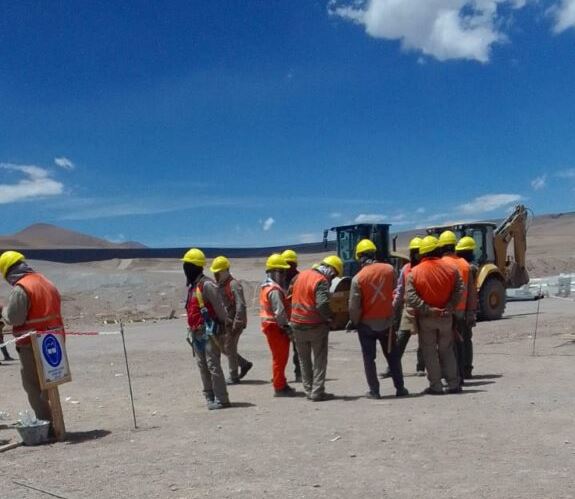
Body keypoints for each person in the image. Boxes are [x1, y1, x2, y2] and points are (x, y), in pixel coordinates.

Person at [0, 251, 64, 424]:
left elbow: (15, 318)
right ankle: (57, 423)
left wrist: (3, 311)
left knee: (33, 385)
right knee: (50, 382)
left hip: (31, 344)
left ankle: (46, 424)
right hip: (54, 340)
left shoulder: (22, 288)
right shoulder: (46, 281)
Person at [348, 239, 408, 399]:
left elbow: (354, 306)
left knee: (369, 359)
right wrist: (392, 310)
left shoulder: (358, 278)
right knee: (393, 356)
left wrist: (354, 321)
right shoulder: (389, 270)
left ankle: (374, 391)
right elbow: (396, 291)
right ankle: (400, 388)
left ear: (359, 257)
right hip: (387, 323)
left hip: (366, 325)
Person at [406, 236, 464, 395]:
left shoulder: (414, 272)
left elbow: (410, 297)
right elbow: (460, 289)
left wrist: (428, 309)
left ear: (422, 253)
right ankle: (453, 384)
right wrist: (450, 306)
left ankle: (436, 386)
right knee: (447, 349)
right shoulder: (451, 269)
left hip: (427, 319)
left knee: (429, 352)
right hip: (446, 316)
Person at [182, 248, 231, 410]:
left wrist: (224, 328)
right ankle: (209, 396)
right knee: (203, 366)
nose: (185, 270)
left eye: (187, 266)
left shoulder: (207, 285)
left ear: (194, 267)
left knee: (213, 365)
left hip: (210, 332)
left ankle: (222, 398)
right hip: (196, 334)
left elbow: (220, 309)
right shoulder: (192, 287)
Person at [290, 255, 342, 401]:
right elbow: (322, 304)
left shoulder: (301, 276)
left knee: (303, 359)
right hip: (315, 326)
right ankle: (317, 392)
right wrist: (330, 318)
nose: (333, 278)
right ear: (331, 270)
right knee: (319, 359)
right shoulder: (321, 280)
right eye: (335, 275)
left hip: (296, 324)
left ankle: (308, 390)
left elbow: (289, 296)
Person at [210, 256, 253, 385]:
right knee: (224, 347)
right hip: (226, 322)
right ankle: (244, 364)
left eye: (218, 272)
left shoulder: (233, 284)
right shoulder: (220, 285)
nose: (215, 274)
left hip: (235, 322)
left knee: (230, 347)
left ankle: (233, 375)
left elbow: (240, 304)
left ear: (225, 271)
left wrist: (237, 322)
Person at [438, 230, 472, 385]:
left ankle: (452, 375)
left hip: (447, 309)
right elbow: (471, 292)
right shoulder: (465, 264)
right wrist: (471, 312)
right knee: (463, 342)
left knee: (448, 345)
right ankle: (465, 371)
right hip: (463, 310)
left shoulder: (442, 265)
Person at [259, 253, 296, 397]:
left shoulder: (266, 287)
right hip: (276, 328)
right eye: (281, 271)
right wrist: (287, 328)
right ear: (274, 272)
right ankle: (279, 387)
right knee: (280, 358)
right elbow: (279, 312)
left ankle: (281, 381)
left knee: (278, 357)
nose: (284, 274)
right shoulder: (274, 290)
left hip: (270, 327)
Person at [392, 236, 425, 376]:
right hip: (409, 308)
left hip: (423, 307)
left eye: (418, 252)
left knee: (423, 340)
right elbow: (400, 289)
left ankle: (421, 367)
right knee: (401, 338)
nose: (416, 254)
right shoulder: (405, 268)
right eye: (414, 252)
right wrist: (393, 307)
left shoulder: (425, 269)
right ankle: (392, 366)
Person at [455, 236, 479, 379]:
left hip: (460, 308)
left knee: (460, 340)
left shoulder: (467, 267)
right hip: (468, 307)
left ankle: (462, 369)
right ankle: (466, 369)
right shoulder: (470, 267)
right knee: (466, 339)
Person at [281, 249, 302, 383]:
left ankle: (299, 373)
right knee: (280, 351)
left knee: (298, 349)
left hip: (296, 318)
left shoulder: (300, 279)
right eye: (286, 264)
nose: (288, 267)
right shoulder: (280, 279)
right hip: (282, 319)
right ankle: (279, 376)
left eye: (290, 264)